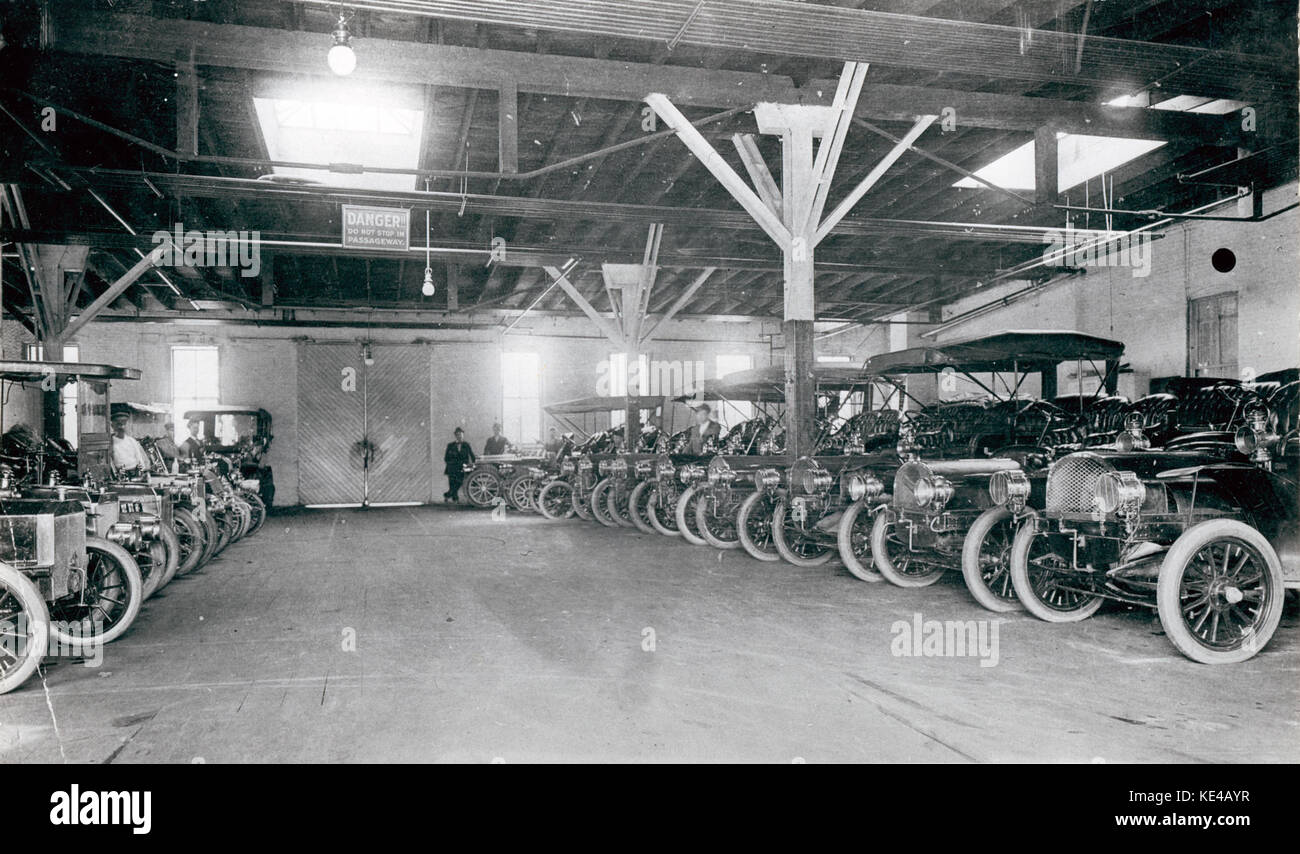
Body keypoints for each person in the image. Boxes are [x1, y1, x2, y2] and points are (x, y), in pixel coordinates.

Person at [443, 427, 476, 502]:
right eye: (457, 434)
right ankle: (455, 499)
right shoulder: (450, 445)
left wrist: (475, 463)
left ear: (463, 435)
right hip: (452, 468)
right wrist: (452, 463)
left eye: (461, 434)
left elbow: (472, 455)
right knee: (452, 484)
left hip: (462, 468)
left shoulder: (466, 444)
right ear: (455, 436)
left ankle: (448, 495)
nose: (459, 436)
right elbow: (446, 458)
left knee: (459, 482)